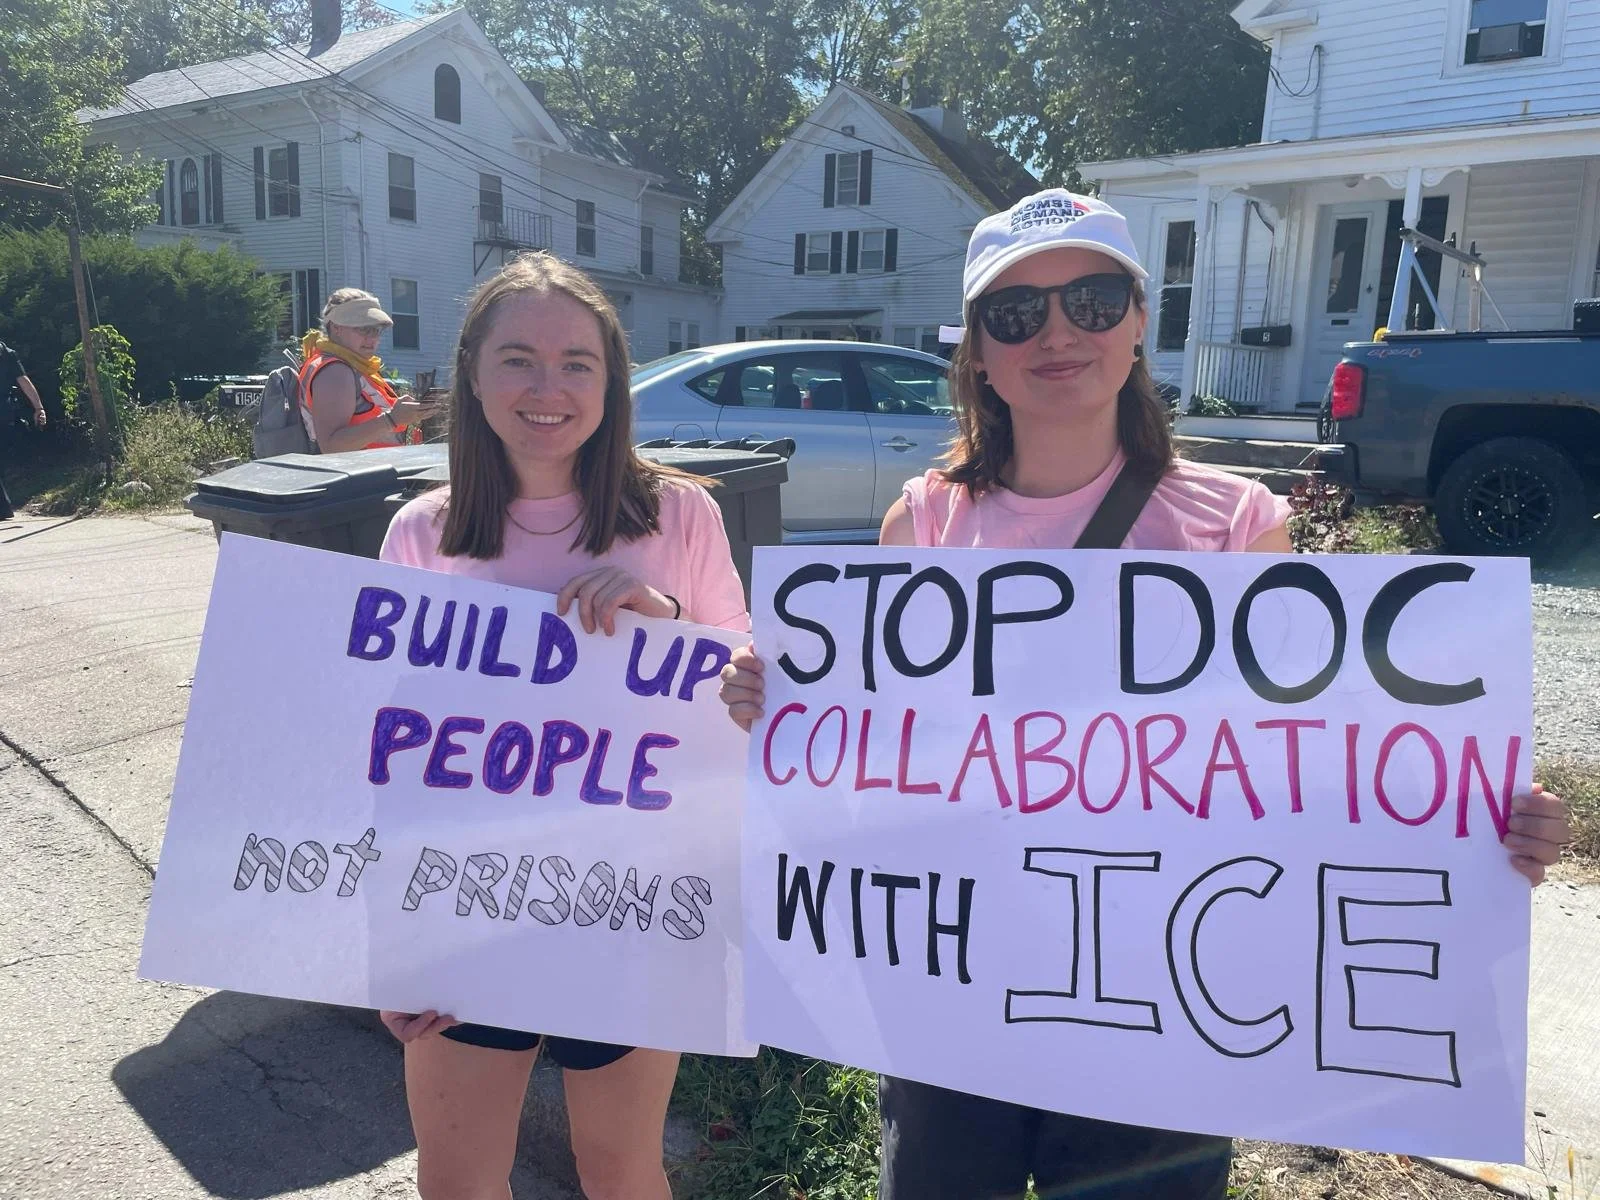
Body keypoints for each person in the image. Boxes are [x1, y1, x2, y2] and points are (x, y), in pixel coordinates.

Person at [716, 189, 1572, 1200]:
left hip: (1153, 1007)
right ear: (978, 352)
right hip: (953, 991)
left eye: (1090, 299)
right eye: (1015, 312)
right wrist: (778, 699)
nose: (1056, 333)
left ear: (1137, 324)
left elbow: (1305, 762)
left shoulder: (1232, 525)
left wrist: (1469, 829)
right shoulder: (926, 521)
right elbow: (873, 742)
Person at [377, 252, 749, 1200]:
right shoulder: (422, 532)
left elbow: (749, 695)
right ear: (471, 374)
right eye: (518, 359)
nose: (548, 388)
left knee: (619, 1171)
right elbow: (387, 747)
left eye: (577, 363)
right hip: (465, 904)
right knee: (457, 1182)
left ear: (612, 381)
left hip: (634, 900)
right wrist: (389, 940)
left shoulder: (681, 516)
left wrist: (668, 622)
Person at [301, 288, 439, 452]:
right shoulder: (336, 371)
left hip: (369, 467)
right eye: (363, 329)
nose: (372, 338)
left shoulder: (352, 365)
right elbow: (331, 446)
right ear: (336, 327)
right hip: (356, 469)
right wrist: (392, 419)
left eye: (376, 330)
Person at [0, 340, 47, 521]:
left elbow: (24, 381)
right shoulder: (8, 353)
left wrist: (39, 408)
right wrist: (38, 408)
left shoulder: (7, 354)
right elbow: (23, 381)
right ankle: (4, 509)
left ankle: (4, 508)